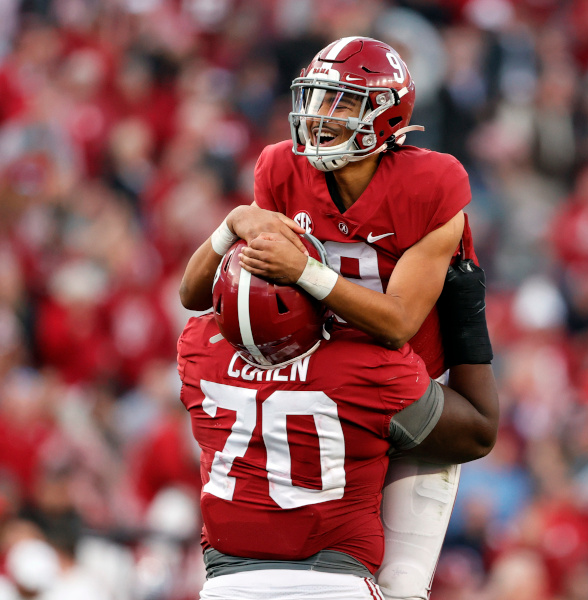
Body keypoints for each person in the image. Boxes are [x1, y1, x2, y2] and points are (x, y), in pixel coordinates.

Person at [178, 36, 494, 600]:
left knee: (400, 583)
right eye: (317, 99)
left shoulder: (432, 184)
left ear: (386, 114)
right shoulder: (280, 167)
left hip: (401, 392)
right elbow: (200, 292)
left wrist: (305, 272)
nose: (320, 118)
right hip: (326, 383)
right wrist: (235, 228)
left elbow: (396, 323)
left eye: (342, 103)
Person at [178, 235, 497, 599]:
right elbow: (478, 432)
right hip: (336, 584)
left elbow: (192, 292)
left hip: (225, 587)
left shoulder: (197, 350)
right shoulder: (364, 365)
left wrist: (230, 225)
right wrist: (467, 319)